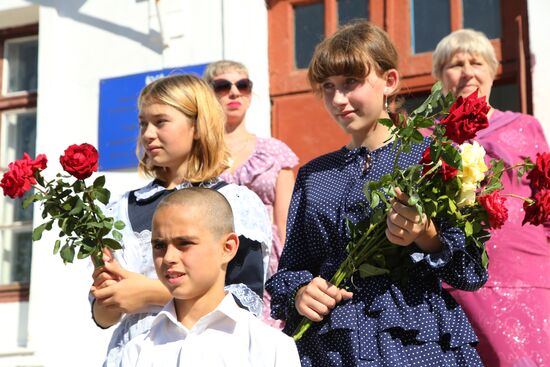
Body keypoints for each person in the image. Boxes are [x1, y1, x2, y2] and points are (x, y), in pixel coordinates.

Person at [265, 20, 488, 366]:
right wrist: (300, 294)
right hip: (332, 346)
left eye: (351, 82)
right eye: (328, 86)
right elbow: (291, 267)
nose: (338, 98)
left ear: (390, 81)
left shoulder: (430, 158)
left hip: (415, 341)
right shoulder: (313, 175)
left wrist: (427, 236)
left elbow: (471, 271)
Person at [89, 74, 272, 367]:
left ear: (197, 126)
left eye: (160, 122)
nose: (148, 134)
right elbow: (102, 315)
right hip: (132, 353)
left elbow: (246, 299)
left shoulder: (233, 202)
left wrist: (150, 294)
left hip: (207, 350)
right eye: (142, 124)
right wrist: (107, 298)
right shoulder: (121, 207)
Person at [432, 28, 550, 366]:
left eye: (476, 62)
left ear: (493, 71)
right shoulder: (428, 136)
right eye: (455, 64)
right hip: (456, 279)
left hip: (527, 275)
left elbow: (547, 200)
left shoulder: (525, 126)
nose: (467, 71)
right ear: (440, 77)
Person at [120, 188, 300, 366]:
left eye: (184, 243)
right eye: (159, 245)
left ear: (227, 248)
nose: (168, 258)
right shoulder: (137, 351)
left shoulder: (270, 348)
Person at [203, 60, 298, 328]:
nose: (234, 93)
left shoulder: (274, 151)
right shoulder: (197, 156)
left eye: (242, 85)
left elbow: (287, 226)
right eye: (223, 86)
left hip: (268, 265)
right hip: (213, 262)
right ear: (208, 94)